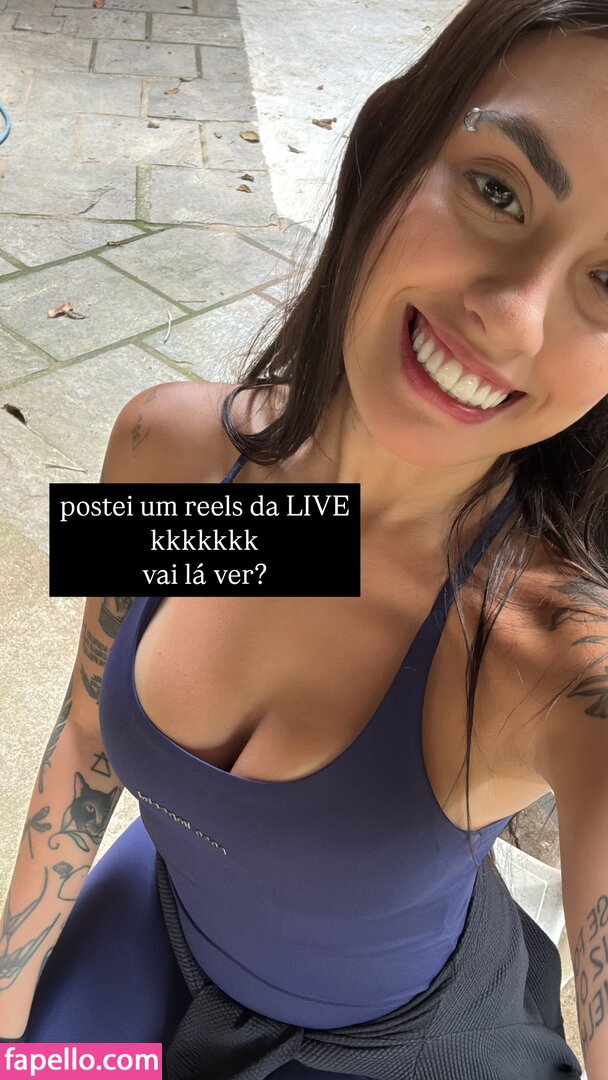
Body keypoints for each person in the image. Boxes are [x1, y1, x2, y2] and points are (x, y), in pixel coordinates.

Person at [1, 0, 608, 1075]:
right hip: (158, 941)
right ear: (391, 144)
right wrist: (7, 1010)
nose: (512, 315)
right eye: (496, 189)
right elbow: (84, 741)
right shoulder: (175, 453)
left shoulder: (550, 658)